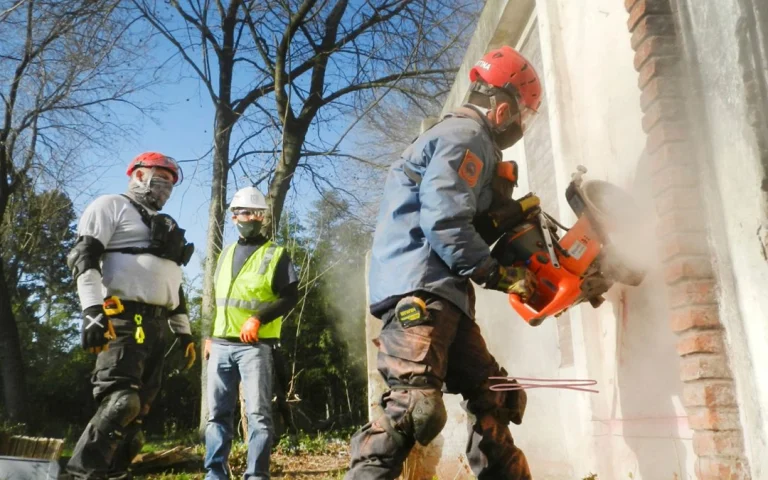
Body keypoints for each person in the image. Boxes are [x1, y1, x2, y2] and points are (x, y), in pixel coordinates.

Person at [345, 45, 544, 480]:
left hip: (443, 293)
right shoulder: (465, 136)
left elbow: (458, 215)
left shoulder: (462, 141)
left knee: (496, 396)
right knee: (412, 409)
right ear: (502, 109)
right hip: (422, 289)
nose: (520, 128)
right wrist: (496, 273)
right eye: (521, 116)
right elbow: (444, 221)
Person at [65, 152, 197, 480]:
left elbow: (173, 281)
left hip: (156, 325)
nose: (166, 187)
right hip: (122, 320)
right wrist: (93, 311)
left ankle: (115, 473)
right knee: (123, 403)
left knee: (137, 418)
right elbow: (84, 258)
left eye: (171, 183)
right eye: (161, 178)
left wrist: (184, 332)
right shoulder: (110, 205)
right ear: (138, 175)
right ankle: (81, 474)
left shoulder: (162, 226)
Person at [203, 186, 299, 480]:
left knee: (258, 416)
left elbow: (290, 296)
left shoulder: (276, 255)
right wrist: (209, 334)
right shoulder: (225, 254)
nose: (248, 217)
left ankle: (256, 475)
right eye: (242, 212)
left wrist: (258, 318)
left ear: (261, 217)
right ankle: (215, 475)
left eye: (254, 212)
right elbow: (218, 299)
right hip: (219, 344)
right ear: (233, 217)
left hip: (255, 347)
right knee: (217, 416)